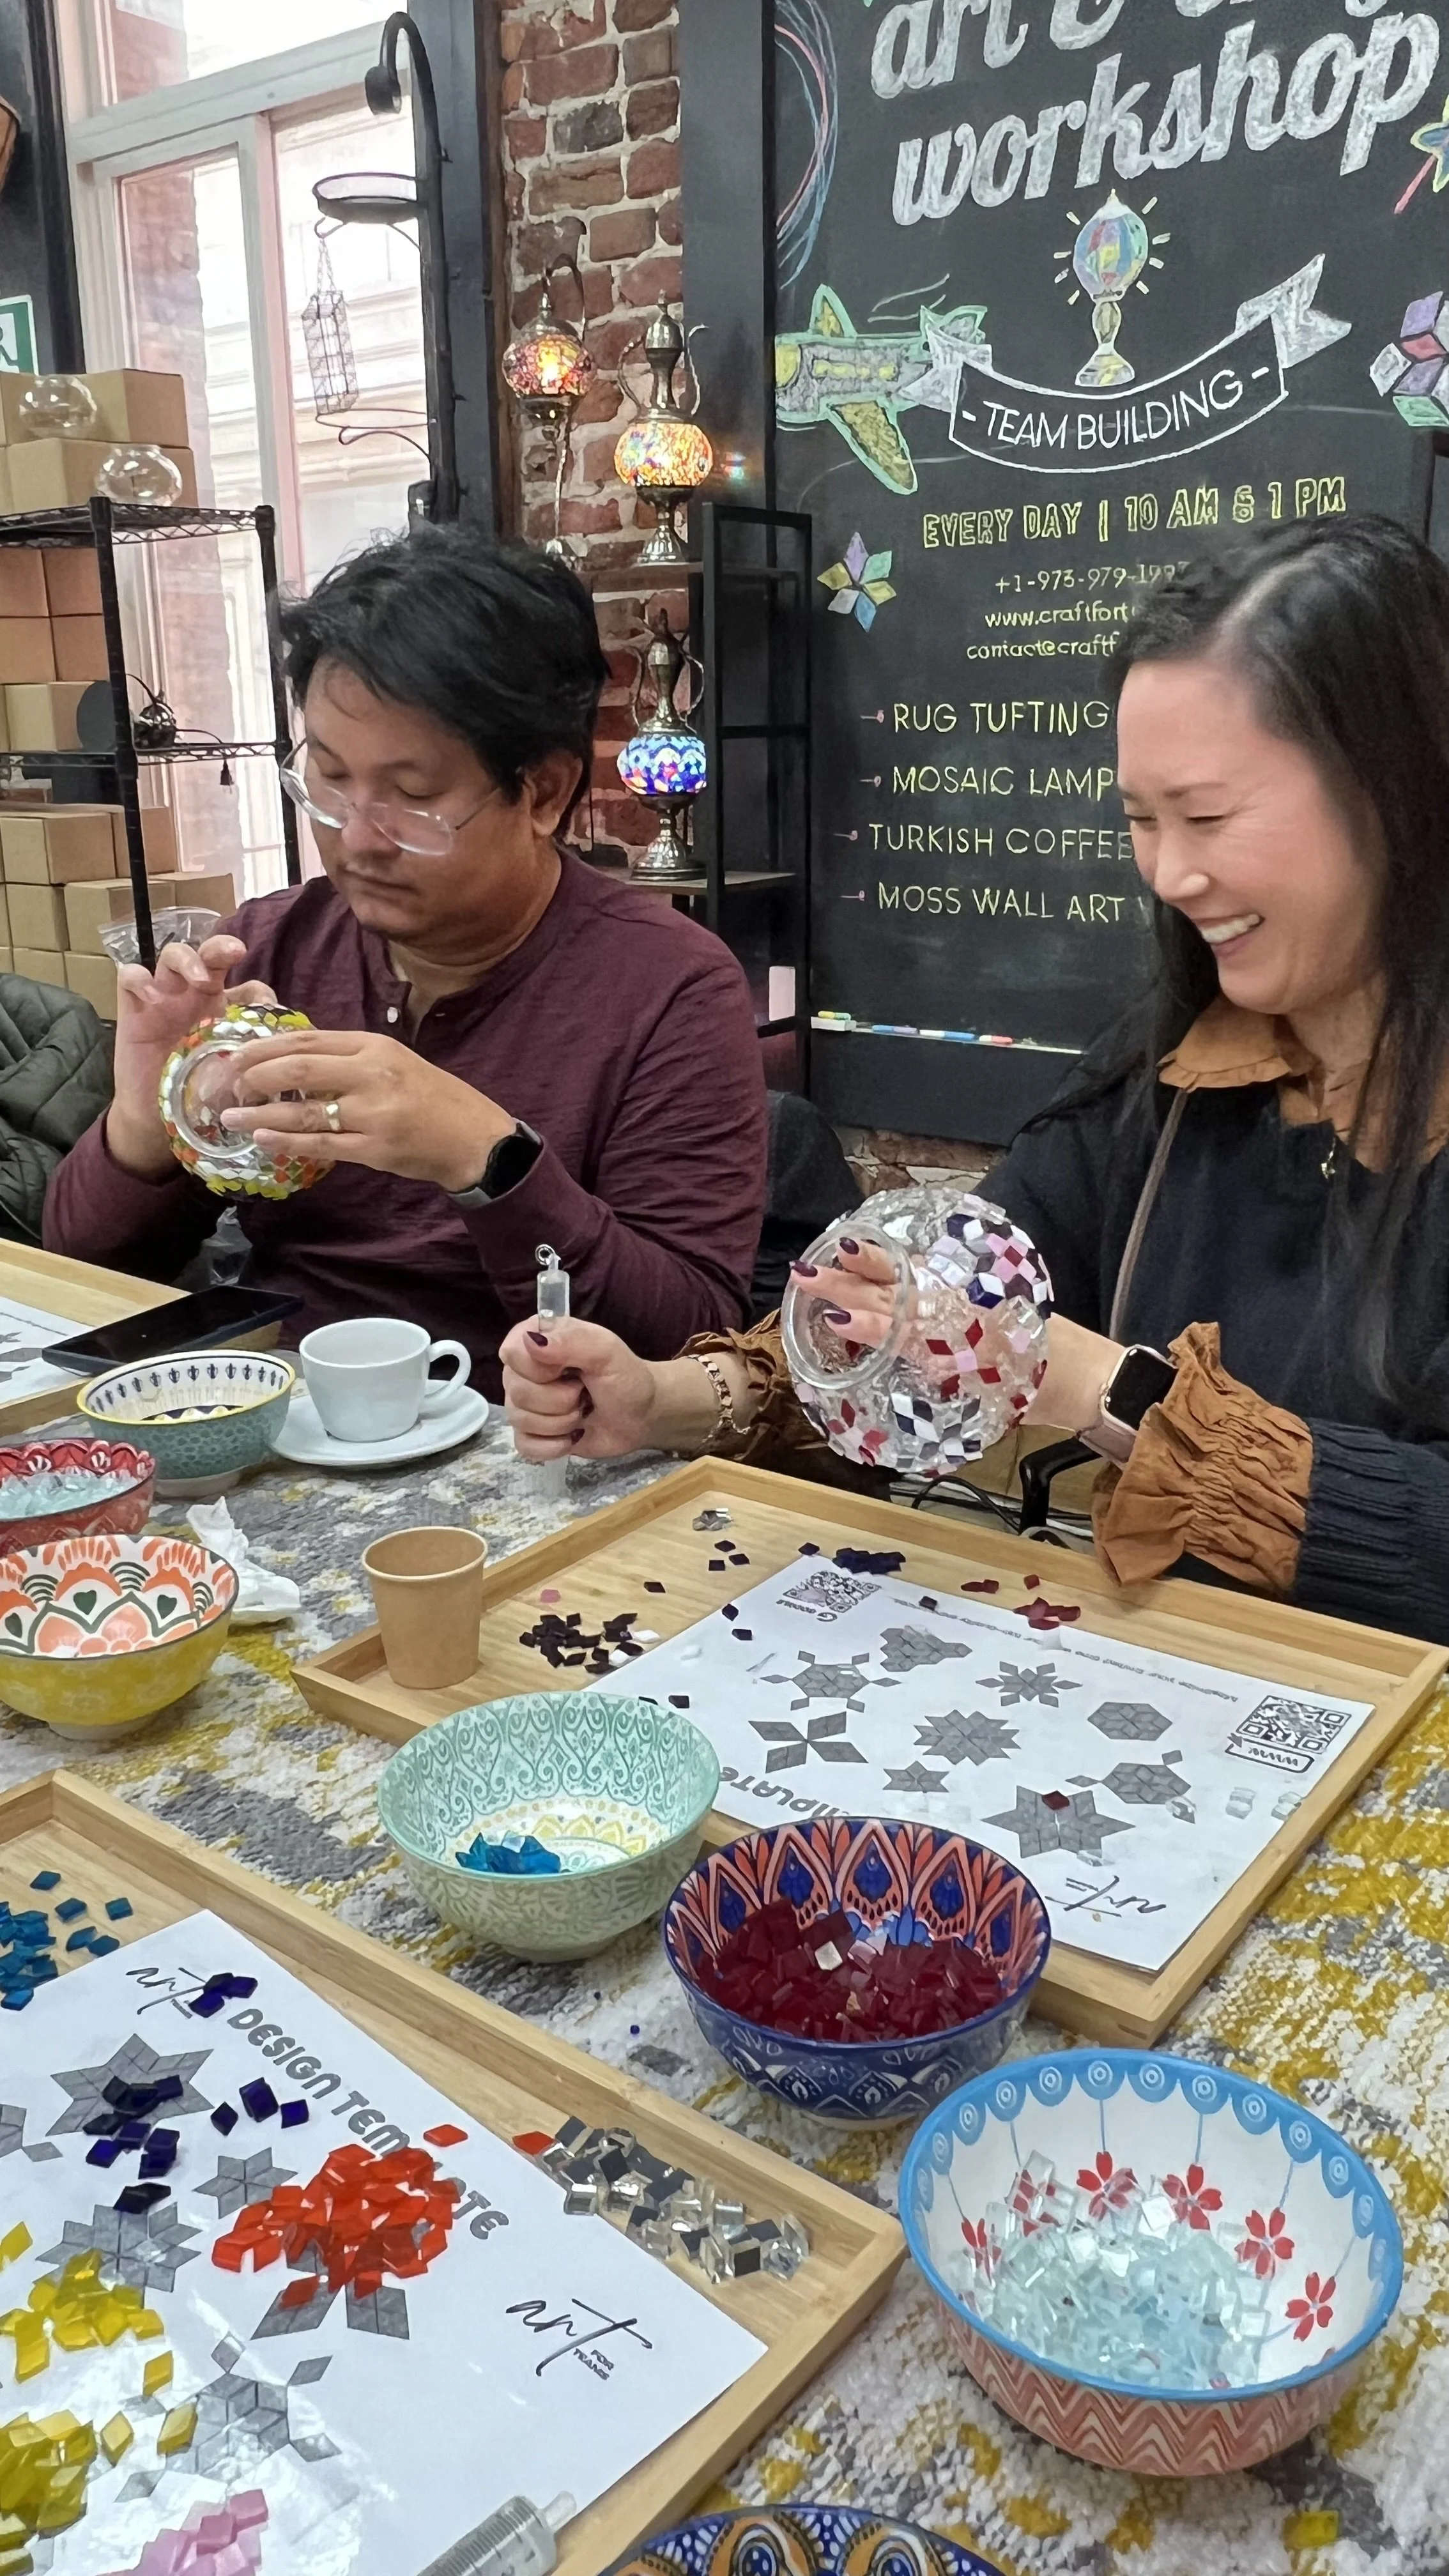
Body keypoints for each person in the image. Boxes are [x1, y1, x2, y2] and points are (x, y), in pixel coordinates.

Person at [502, 513, 1449, 1644]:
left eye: (1207, 815)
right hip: (1181, 1689)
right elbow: (932, 1303)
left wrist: (1118, 1394)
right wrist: (671, 1399)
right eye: (1142, 820)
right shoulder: (1180, 1064)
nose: (1174, 873)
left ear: (1401, 793)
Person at [44, 527, 768, 1397]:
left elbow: (687, 1335)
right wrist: (145, 1124)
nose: (355, 838)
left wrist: (484, 1160)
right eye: (331, 777)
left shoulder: (670, 989)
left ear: (542, 792)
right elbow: (85, 1271)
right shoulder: (269, 950)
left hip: (530, 1442)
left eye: (415, 797)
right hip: (283, 1411)